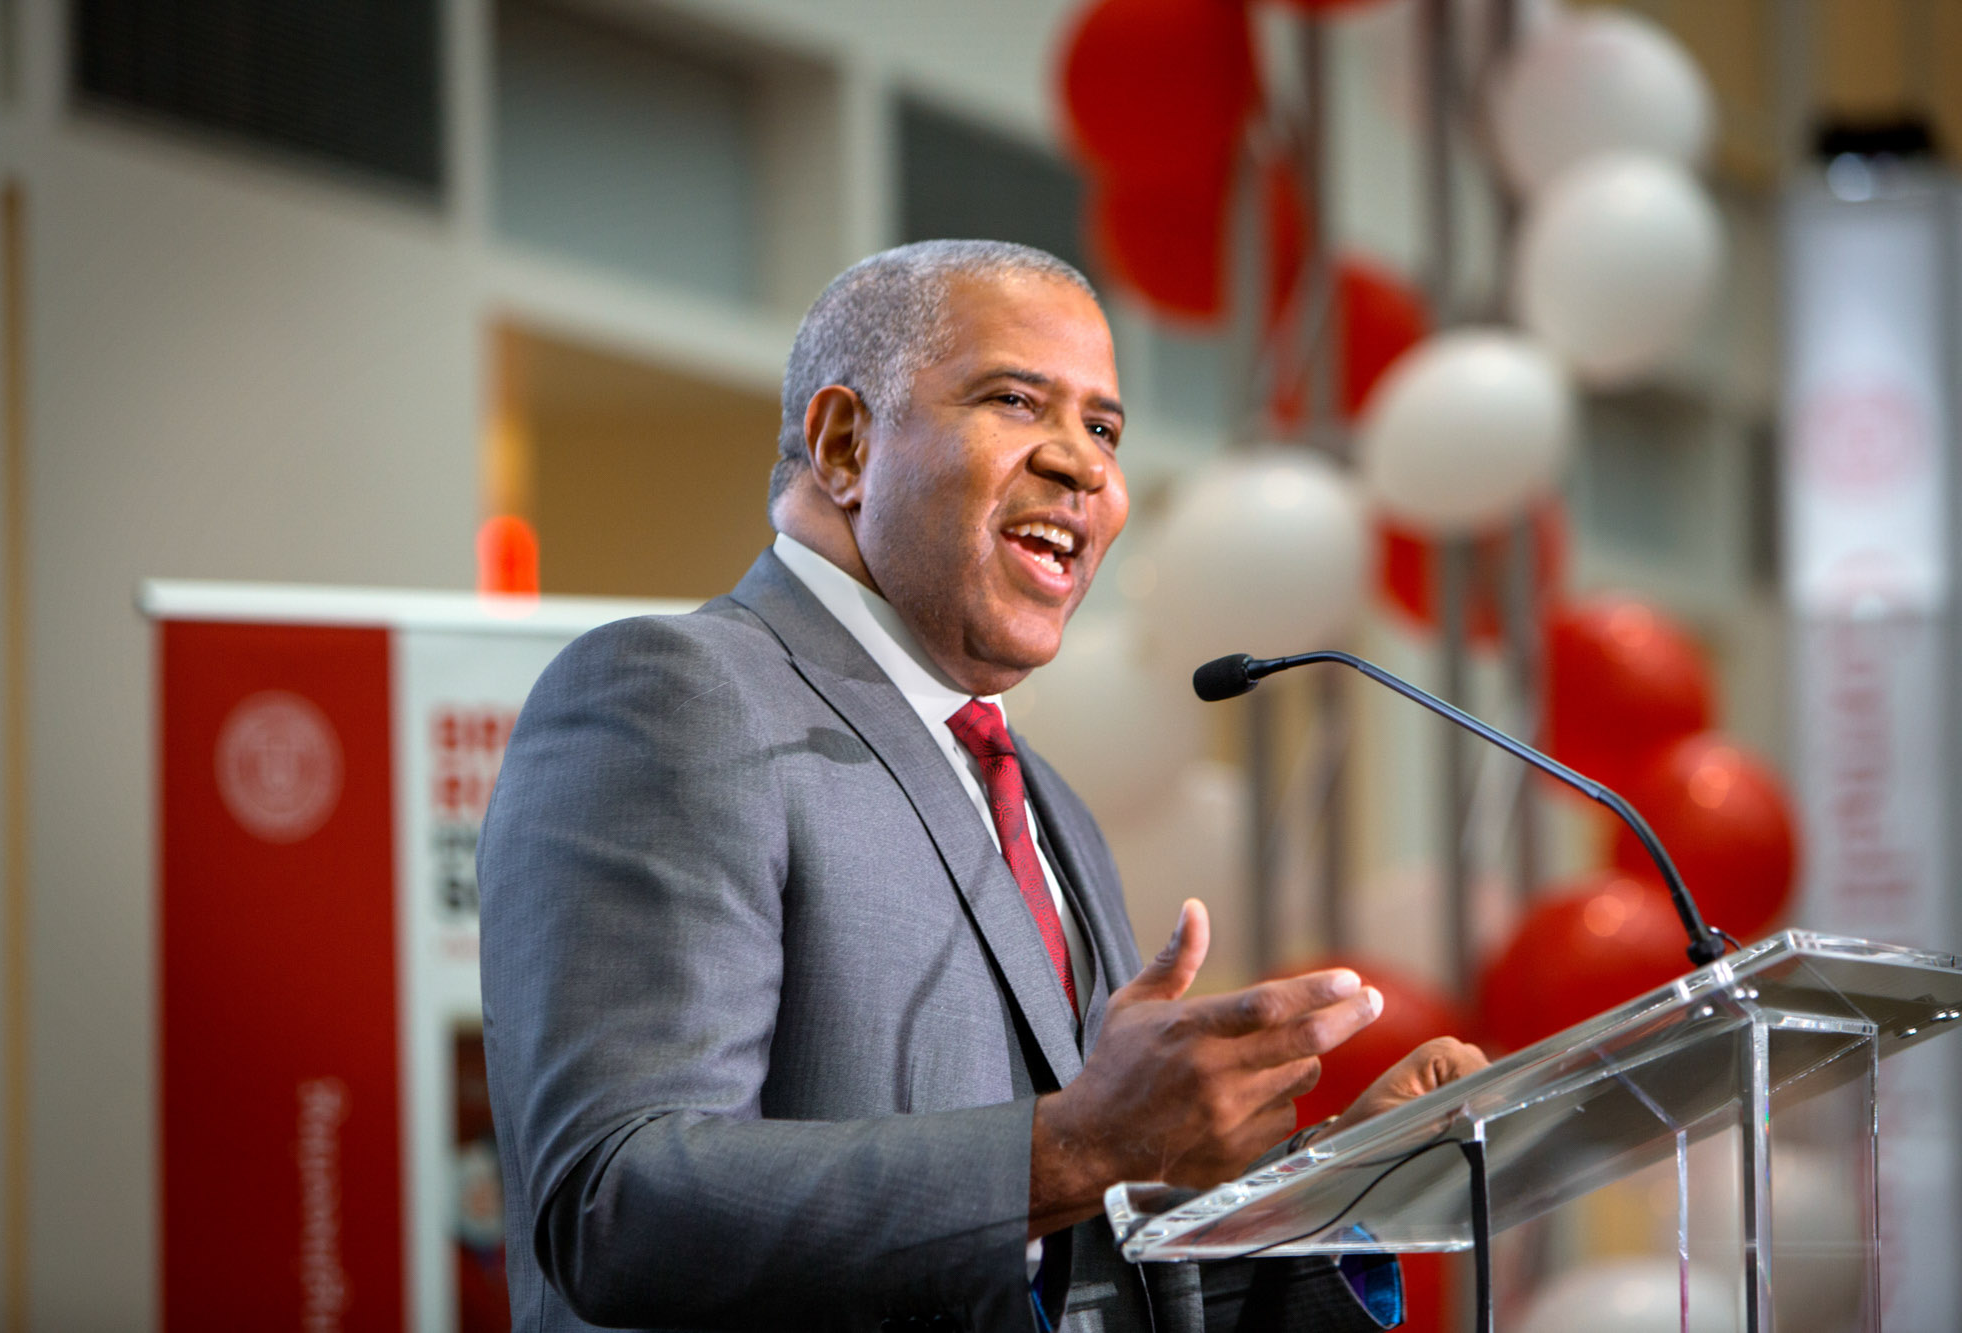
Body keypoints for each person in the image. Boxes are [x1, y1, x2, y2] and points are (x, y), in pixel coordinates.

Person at [478, 240, 1486, 1333]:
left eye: (1103, 429)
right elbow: (616, 1203)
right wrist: (1080, 1145)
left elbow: (1091, 1267)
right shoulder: (675, 697)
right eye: (1016, 401)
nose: (1084, 467)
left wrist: (1328, 1193)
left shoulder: (1046, 804)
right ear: (844, 443)